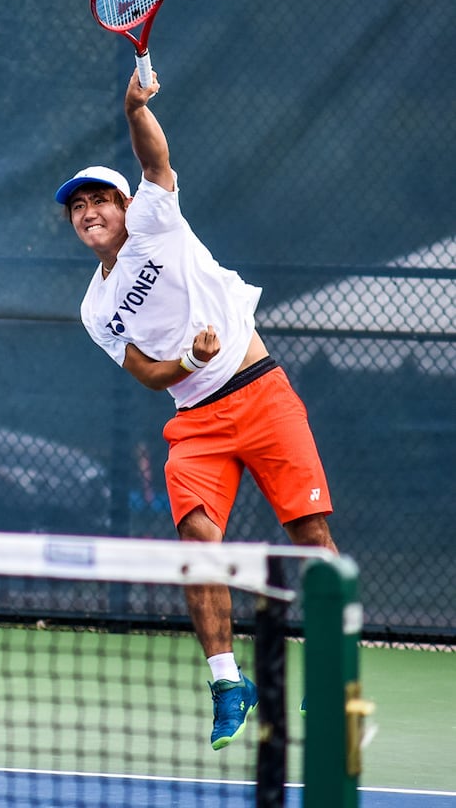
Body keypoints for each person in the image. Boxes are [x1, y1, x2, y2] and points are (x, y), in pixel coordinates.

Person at [55, 71, 338, 751]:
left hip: (262, 393)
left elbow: (154, 160)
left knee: (311, 537)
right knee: (197, 543)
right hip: (197, 420)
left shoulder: (155, 219)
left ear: (127, 207)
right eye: (77, 207)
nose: (90, 211)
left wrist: (134, 108)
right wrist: (188, 360)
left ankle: (329, 672)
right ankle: (225, 682)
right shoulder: (96, 309)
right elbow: (150, 374)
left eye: (101, 199)